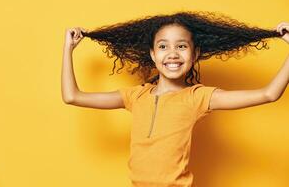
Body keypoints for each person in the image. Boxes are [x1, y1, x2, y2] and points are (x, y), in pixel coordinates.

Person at [61, 11, 289, 187]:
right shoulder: (135, 95)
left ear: (195, 54)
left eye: (181, 46)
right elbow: (72, 97)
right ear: (152, 54)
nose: (172, 53)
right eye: (163, 46)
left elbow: (269, 94)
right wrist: (68, 48)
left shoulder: (198, 97)